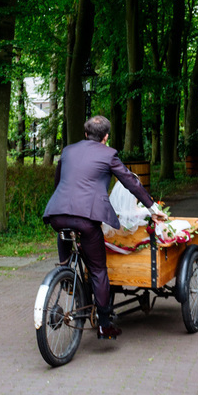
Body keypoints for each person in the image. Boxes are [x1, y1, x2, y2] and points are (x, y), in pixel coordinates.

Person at [43, 115, 166, 340]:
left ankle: (65, 274)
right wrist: (152, 208)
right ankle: (105, 324)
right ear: (106, 137)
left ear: (85, 133)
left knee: (64, 233)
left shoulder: (68, 151)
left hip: (57, 213)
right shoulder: (109, 155)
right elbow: (130, 181)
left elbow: (59, 182)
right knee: (99, 269)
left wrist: (60, 202)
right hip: (87, 218)